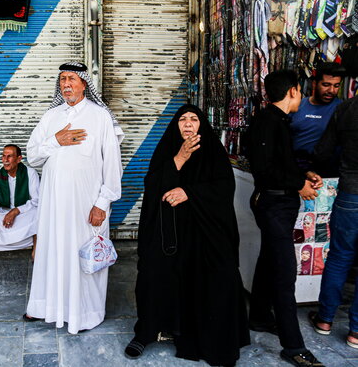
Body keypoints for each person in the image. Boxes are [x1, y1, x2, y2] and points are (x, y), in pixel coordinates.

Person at [124, 104, 249, 366]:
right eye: (183, 119)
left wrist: (189, 192)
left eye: (193, 119)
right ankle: (146, 332)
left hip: (205, 230)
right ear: (176, 125)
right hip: (169, 232)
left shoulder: (213, 151)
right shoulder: (167, 148)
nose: (188, 123)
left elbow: (224, 188)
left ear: (201, 125)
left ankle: (208, 335)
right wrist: (179, 158)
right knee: (152, 273)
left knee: (220, 274)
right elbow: (153, 185)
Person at [23, 62, 123, 334]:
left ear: (84, 84)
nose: (66, 84)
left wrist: (103, 203)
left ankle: (86, 313)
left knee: (85, 257)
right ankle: (47, 307)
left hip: (86, 205)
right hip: (54, 205)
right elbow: (32, 156)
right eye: (62, 79)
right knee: (53, 253)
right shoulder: (51, 117)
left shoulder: (100, 116)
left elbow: (112, 164)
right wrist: (56, 140)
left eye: (72, 79)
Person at [246, 70, 324, 367]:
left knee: (269, 259)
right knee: (284, 274)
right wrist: (297, 185)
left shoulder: (276, 121)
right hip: (274, 204)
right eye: (301, 91)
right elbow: (265, 171)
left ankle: (260, 318)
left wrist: (303, 175)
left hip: (279, 203)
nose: (301, 97)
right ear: (292, 91)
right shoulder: (268, 122)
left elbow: (280, 162)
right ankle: (293, 346)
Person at [308, 96, 358, 349]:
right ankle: (356, 332)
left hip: (350, 191)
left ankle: (325, 319)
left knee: (339, 256)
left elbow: (323, 150)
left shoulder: (347, 108)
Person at [0, 144, 40, 279]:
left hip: (22, 213)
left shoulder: (30, 173)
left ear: (19, 159)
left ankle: (36, 252)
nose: (5, 159)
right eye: (3, 156)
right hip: (3, 213)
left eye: (9, 156)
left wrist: (16, 211)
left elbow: (36, 200)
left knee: (37, 212)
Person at [290, 62, 344, 176]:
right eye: (326, 84)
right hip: (295, 171)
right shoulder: (297, 106)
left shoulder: (342, 109)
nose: (331, 90)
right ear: (314, 84)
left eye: (336, 86)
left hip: (326, 175)